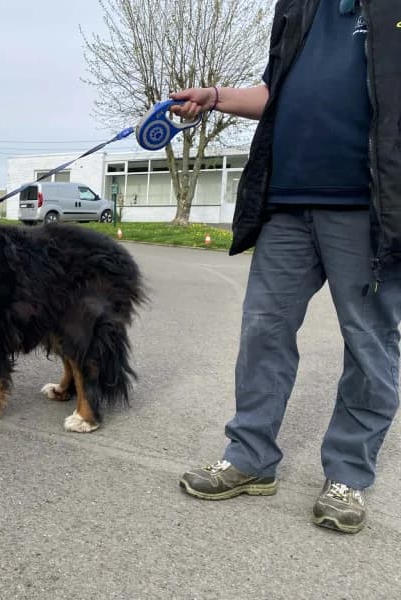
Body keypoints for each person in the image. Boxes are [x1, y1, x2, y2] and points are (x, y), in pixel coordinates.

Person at [170, 0, 401, 533]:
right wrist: (216, 97)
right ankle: (250, 457)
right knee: (263, 331)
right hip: (287, 202)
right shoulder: (299, 6)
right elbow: (275, 92)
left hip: (367, 207)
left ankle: (347, 475)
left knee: (368, 343)